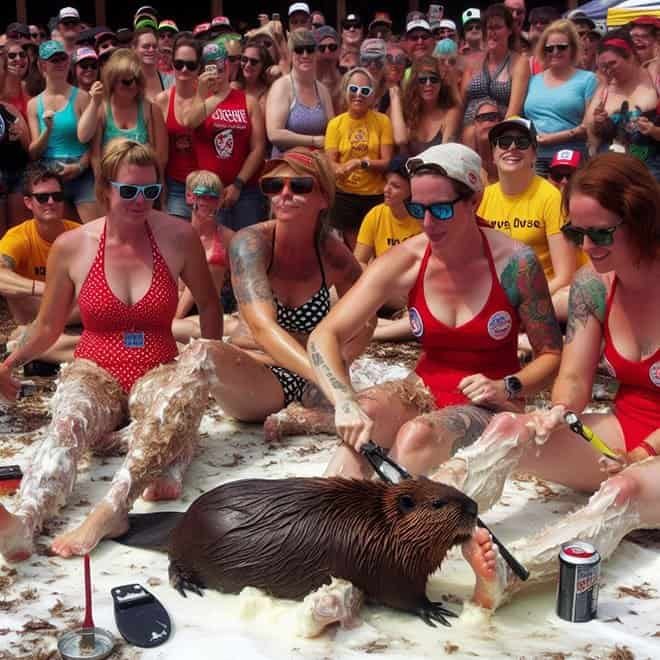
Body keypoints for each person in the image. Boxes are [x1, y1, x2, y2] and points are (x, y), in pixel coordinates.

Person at [426, 152, 660, 612]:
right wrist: (556, 414)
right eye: (576, 233)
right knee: (510, 428)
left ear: (641, 220)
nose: (587, 247)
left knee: (622, 492)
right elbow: (572, 377)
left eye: (601, 233)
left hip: (652, 450)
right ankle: (409, 521)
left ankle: (515, 572)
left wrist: (646, 452)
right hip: (622, 430)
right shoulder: (595, 286)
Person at [0, 139, 222, 563]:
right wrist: (8, 364)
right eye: (130, 191)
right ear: (105, 190)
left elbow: (210, 305)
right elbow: (47, 327)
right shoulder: (74, 246)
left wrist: (205, 362)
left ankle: (113, 507)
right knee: (67, 424)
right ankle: (25, 521)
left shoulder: (177, 236)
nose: (141, 202)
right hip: (96, 369)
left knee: (183, 390)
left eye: (150, 192)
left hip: (157, 369)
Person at [305, 142, 561, 478]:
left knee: (417, 436)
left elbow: (552, 356)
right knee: (364, 412)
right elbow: (324, 335)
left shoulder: (516, 264)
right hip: (423, 389)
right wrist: (344, 401)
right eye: (417, 209)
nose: (427, 223)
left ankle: (382, 521)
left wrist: (509, 386)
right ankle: (326, 513)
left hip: (491, 403)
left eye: (440, 210)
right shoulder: (407, 259)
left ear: (474, 201)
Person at [201, 147, 366, 427]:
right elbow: (262, 327)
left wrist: (342, 358)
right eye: (274, 186)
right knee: (202, 354)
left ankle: (305, 416)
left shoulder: (334, 255)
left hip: (306, 376)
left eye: (300, 186)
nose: (284, 194)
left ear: (324, 198)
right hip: (259, 372)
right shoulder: (251, 243)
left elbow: (368, 320)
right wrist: (334, 383)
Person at [478, 117, 578, 320]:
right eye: (504, 142)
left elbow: (564, 276)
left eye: (522, 143)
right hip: (492, 294)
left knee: (573, 300)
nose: (512, 147)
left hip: (543, 294)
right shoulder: (483, 197)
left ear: (534, 154)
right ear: (493, 154)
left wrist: (520, 305)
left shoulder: (551, 197)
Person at [183, 42, 266, 231]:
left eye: (220, 69)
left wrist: (238, 184)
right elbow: (190, 122)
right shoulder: (198, 99)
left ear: (227, 67)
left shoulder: (248, 101)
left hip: (245, 190)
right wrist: (203, 94)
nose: (216, 75)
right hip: (207, 191)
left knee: (246, 248)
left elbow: (258, 148)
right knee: (212, 252)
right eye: (210, 69)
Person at [27, 41, 97, 223]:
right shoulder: (34, 104)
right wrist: (48, 130)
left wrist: (79, 166)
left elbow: (94, 142)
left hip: (81, 171)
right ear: (42, 65)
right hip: (50, 173)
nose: (60, 63)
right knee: (61, 235)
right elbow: (34, 152)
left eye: (63, 59)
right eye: (54, 60)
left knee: (95, 231)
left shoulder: (82, 97)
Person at [325, 67, 394, 250]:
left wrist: (360, 163)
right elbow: (330, 162)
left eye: (365, 91)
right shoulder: (335, 124)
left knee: (375, 250)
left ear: (372, 95)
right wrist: (338, 168)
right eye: (353, 89)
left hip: (375, 196)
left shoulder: (382, 121)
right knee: (354, 252)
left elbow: (387, 162)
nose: (358, 95)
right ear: (345, 91)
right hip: (344, 197)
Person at [0, 165, 78, 325]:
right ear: (28, 203)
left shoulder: (79, 234)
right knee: (15, 291)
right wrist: (45, 289)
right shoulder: (19, 237)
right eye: (42, 197)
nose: (51, 202)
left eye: (57, 196)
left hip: (70, 308)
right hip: (41, 309)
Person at [77, 49, 168, 185]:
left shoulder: (151, 109)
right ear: (113, 81)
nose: (133, 85)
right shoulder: (102, 109)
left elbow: (161, 158)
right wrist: (103, 188)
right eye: (126, 81)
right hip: (110, 183)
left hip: (144, 184)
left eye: (137, 80)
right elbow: (95, 156)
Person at [523, 20, 597, 177]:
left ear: (573, 48)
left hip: (570, 156)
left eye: (561, 47)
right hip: (533, 156)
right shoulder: (533, 80)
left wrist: (553, 138)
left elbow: (589, 126)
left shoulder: (588, 79)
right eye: (549, 48)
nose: (555, 52)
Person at [585, 31, 660, 180]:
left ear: (630, 56)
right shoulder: (603, 90)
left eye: (613, 63)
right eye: (603, 66)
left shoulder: (654, 80)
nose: (608, 70)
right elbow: (592, 136)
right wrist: (600, 122)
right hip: (610, 172)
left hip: (649, 173)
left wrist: (653, 130)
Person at [172, 169, 234, 342]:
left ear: (221, 200)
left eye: (213, 197)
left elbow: (239, 284)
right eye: (201, 196)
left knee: (208, 266)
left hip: (212, 308)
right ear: (190, 197)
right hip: (178, 311)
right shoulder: (176, 235)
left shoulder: (228, 238)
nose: (207, 202)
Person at [462, 4, 529, 148]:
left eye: (497, 27)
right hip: (469, 133)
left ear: (509, 30)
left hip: (500, 133)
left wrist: (498, 138)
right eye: (488, 27)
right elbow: (461, 103)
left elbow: (514, 110)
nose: (492, 32)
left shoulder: (519, 62)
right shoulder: (472, 61)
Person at [154, 35, 201, 219]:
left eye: (190, 65)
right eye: (178, 63)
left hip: (207, 182)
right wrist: (161, 187)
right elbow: (159, 152)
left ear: (199, 67)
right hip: (175, 184)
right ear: (172, 63)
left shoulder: (209, 98)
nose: (183, 69)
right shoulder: (161, 101)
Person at [266, 30, 333, 157]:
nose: (305, 55)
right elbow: (274, 134)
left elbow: (333, 129)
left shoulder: (322, 90)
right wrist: (313, 141)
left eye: (310, 49)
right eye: (299, 50)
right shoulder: (282, 87)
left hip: (317, 167)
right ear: (291, 54)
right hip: (287, 169)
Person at [390, 55, 462, 156]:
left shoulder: (451, 112)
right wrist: (395, 93)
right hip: (408, 169)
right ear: (415, 83)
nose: (428, 84)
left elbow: (446, 154)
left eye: (434, 79)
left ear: (441, 82)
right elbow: (400, 139)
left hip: (438, 168)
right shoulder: (406, 109)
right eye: (422, 80)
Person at [0, 50, 30, 234]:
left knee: (18, 234)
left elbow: (30, 149)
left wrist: (20, 135)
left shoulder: (9, 108)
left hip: (18, 175)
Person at [132, 27, 173, 101]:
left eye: (154, 46)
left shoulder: (170, 80)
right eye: (146, 46)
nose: (151, 50)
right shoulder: (127, 81)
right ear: (134, 49)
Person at [235, 39, 274, 115]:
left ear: (263, 65)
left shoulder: (266, 95)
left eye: (254, 62)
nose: (248, 65)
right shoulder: (234, 86)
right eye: (244, 59)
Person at [472, 99, 502, 185]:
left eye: (492, 117)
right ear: (475, 125)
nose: (487, 122)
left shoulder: (509, 157)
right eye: (482, 118)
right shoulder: (468, 162)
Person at [315, 27, 342, 114]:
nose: (327, 51)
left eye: (332, 47)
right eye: (322, 48)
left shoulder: (346, 78)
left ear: (339, 50)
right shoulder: (306, 80)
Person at [526, 6, 559, 74]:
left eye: (543, 21)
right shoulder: (526, 63)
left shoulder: (560, 60)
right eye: (534, 21)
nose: (538, 25)